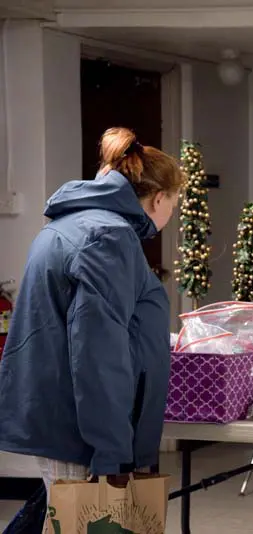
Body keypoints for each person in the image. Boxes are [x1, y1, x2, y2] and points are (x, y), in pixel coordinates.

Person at [0, 127, 183, 499]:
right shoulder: (107, 238)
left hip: (62, 418)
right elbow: (98, 353)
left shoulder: (71, 225)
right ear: (159, 198)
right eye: (174, 205)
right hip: (83, 432)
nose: (171, 216)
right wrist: (112, 452)